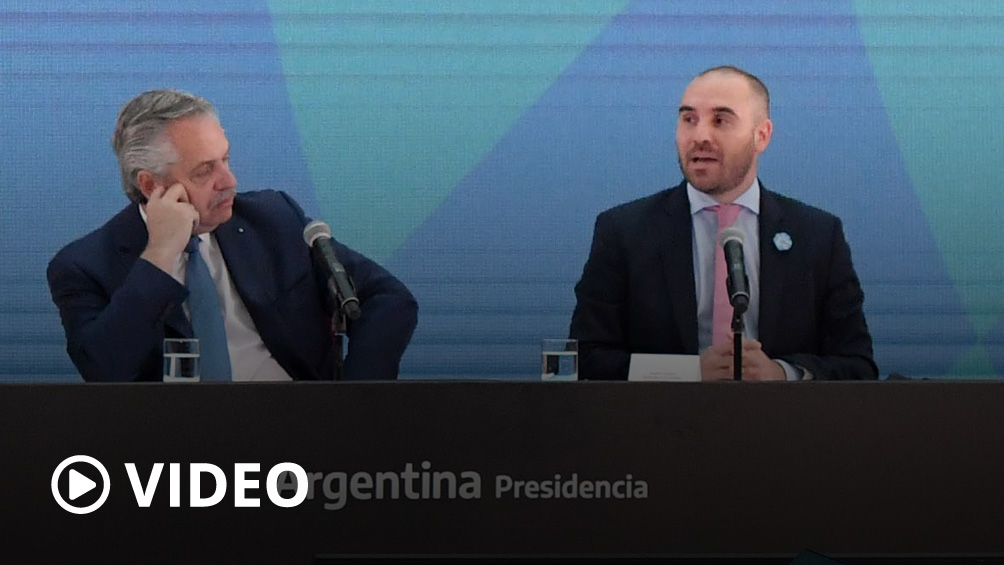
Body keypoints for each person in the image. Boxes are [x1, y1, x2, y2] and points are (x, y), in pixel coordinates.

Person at [47, 89, 418, 382]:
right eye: (204, 171)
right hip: (177, 443)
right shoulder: (84, 266)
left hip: (298, 424)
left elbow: (387, 298)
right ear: (150, 184)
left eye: (225, 159)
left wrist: (353, 401)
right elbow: (104, 370)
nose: (229, 181)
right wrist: (160, 253)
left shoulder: (273, 219)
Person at [569, 66, 877, 381]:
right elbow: (586, 357)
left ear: (762, 135)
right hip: (662, 412)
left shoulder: (818, 235)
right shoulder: (624, 231)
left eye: (720, 120)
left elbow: (857, 366)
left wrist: (782, 373)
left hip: (778, 413)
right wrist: (686, 372)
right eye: (689, 120)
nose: (700, 136)